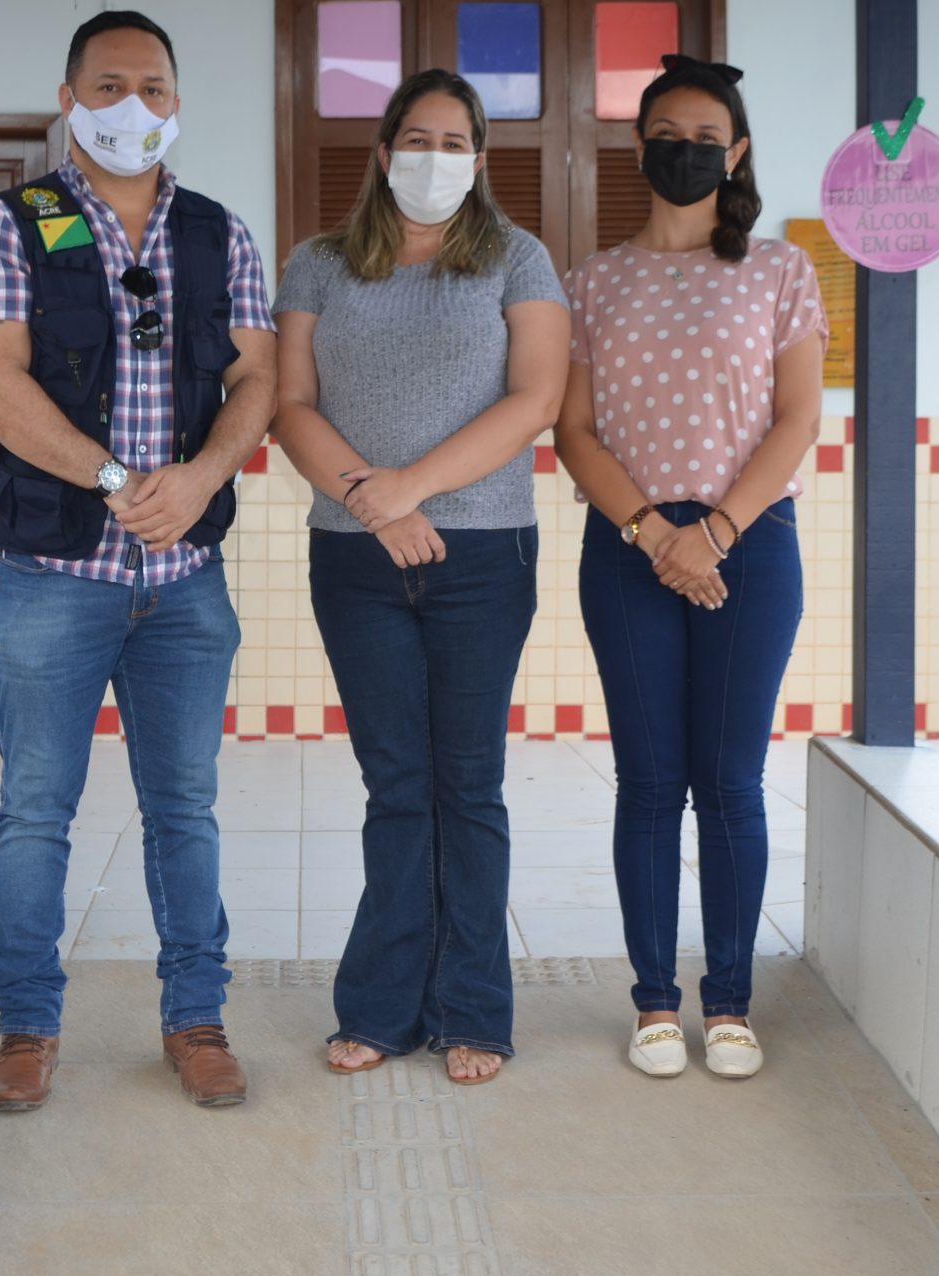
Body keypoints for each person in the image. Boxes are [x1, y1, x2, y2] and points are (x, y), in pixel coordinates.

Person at [0, 10, 277, 1113]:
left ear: (177, 102)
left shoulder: (219, 234)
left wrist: (196, 481)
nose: (129, 105)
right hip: (58, 575)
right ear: (68, 96)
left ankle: (196, 1018)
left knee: (184, 806)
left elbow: (257, 382)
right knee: (36, 807)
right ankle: (27, 1027)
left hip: (186, 582)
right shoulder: (12, 225)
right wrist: (110, 481)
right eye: (107, 85)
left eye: (150, 85)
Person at [271, 69, 568, 1086]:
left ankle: (474, 1008)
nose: (432, 157)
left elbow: (535, 398)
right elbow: (289, 402)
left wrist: (408, 491)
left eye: (453, 142)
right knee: (396, 784)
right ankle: (382, 1007)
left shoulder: (516, 261)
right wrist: (369, 502)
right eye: (416, 137)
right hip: (354, 559)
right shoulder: (316, 265)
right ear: (382, 148)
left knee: (467, 783)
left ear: (479, 160)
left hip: (484, 555)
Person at [554, 54, 825, 1081]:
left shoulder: (778, 270)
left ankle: (732, 1001)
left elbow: (796, 417)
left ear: (736, 152)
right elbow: (572, 428)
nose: (685, 150)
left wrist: (710, 533)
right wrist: (650, 531)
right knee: (647, 781)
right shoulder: (590, 281)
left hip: (748, 547)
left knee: (730, 783)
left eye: (706, 137)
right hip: (626, 549)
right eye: (666, 132)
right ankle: (655, 1001)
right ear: (639, 146)